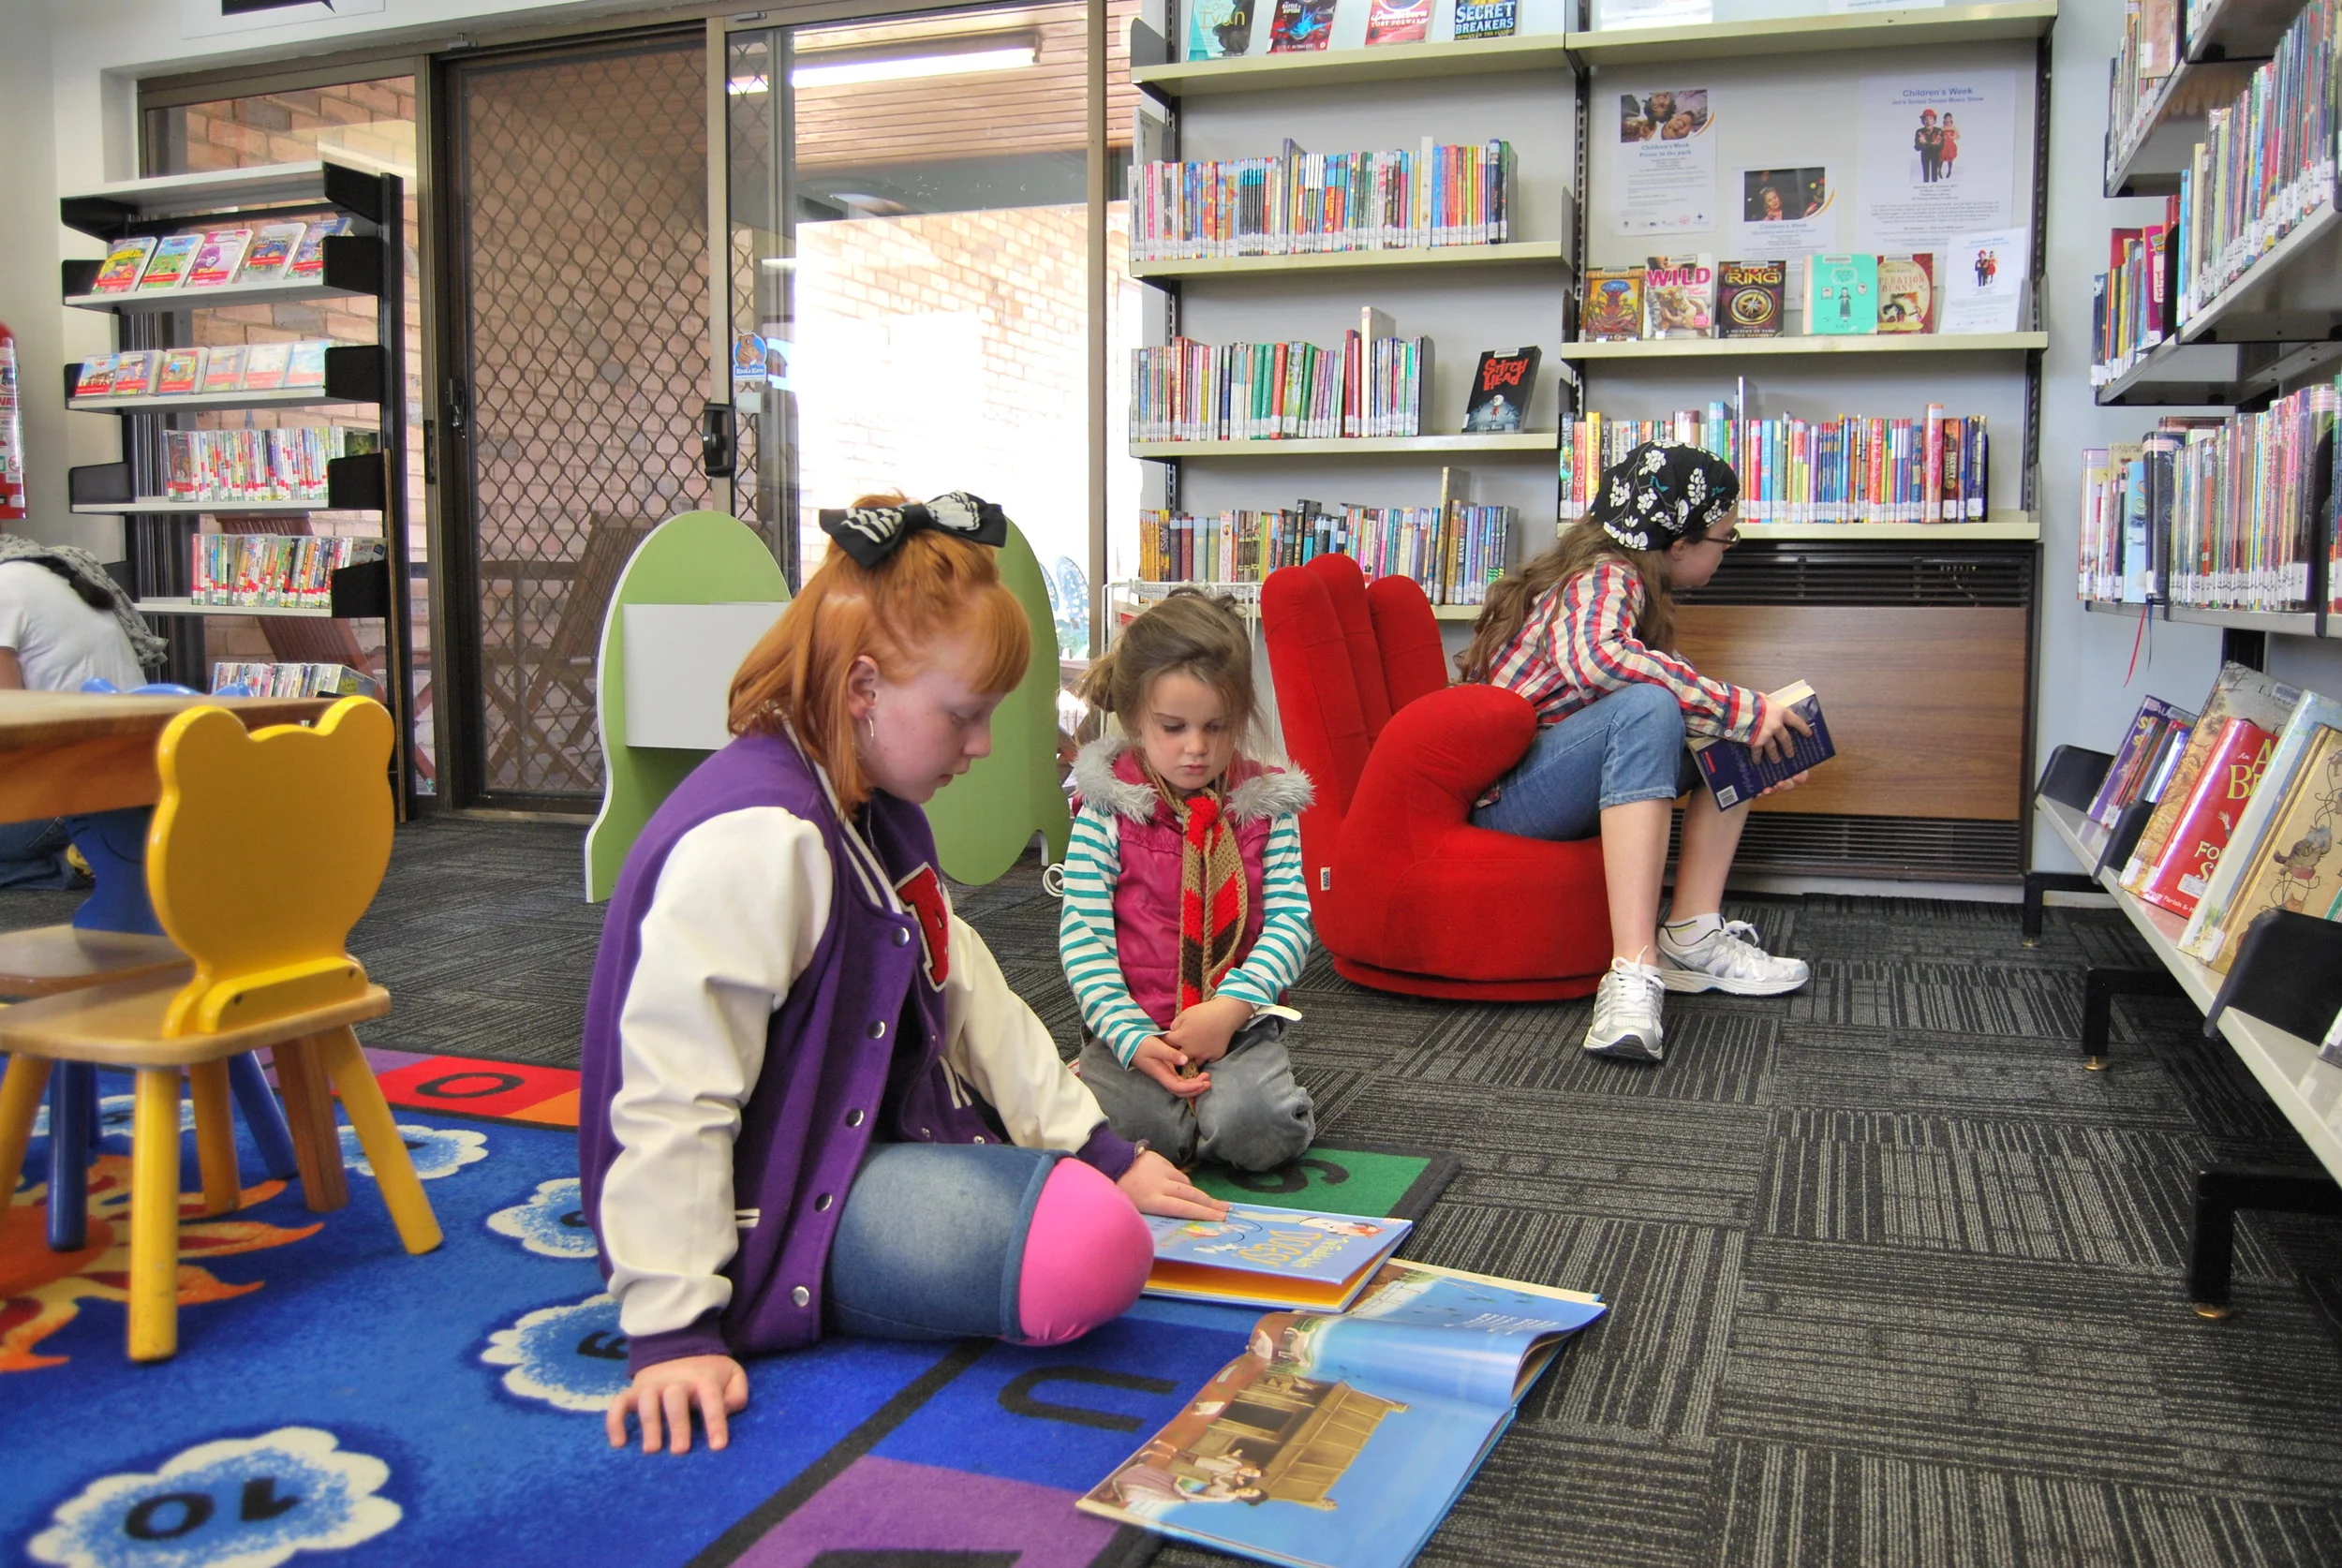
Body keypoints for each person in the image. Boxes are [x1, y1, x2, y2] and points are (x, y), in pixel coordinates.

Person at [580, 490, 1228, 1458]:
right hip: (769, 1206)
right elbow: (670, 1095)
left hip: (845, 1155)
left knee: (1092, 1204)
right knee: (1088, 1250)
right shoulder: (758, 840)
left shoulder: (872, 811)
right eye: (963, 716)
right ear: (862, 689)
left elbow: (973, 996)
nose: (982, 747)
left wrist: (1100, 1150)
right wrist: (673, 1325)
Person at [1455, 442, 1812, 1064]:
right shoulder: (1606, 575)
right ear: (1678, 544)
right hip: (1504, 796)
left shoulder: (1614, 576)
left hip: (1545, 777)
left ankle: (1691, 935)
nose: (1726, 552)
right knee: (1661, 704)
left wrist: (1748, 727)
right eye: (1725, 539)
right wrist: (1744, 710)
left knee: (1716, 722)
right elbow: (1601, 661)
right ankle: (1632, 971)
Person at [1060, 588, 1317, 1174]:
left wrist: (1232, 1008)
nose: (1197, 749)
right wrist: (1128, 1035)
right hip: (1130, 1024)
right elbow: (1084, 936)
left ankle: (1217, 1107)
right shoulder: (1109, 810)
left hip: (1237, 1025)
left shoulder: (1264, 807)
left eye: (1216, 727)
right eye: (1173, 727)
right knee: (1122, 1138)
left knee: (1258, 1134)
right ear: (1133, 718)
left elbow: (1290, 920)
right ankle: (1124, 1085)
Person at [0, 536, 165, 888]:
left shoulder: (3, 588)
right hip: (139, 774)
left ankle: (78, 858)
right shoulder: (48, 572)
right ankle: (91, 852)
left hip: (75, 787)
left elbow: (7, 721)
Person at [1940, 113, 1960, 177]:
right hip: (1943, 145)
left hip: (1951, 145)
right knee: (1941, 159)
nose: (1948, 120)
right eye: (1946, 118)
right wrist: (1943, 138)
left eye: (1949, 118)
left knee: (1950, 159)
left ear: (1951, 119)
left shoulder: (1954, 127)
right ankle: (1939, 171)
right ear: (1944, 119)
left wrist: (1952, 137)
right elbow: (1938, 137)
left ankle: (1949, 171)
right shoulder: (1942, 128)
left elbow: (1958, 136)